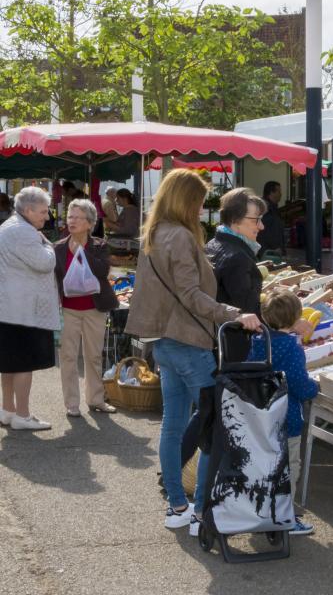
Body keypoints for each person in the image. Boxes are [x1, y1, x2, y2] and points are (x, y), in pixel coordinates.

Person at [125, 169, 261, 535]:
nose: (203, 208)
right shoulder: (181, 237)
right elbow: (191, 295)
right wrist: (235, 313)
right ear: (185, 199)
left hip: (163, 343)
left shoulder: (154, 234)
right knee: (213, 429)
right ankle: (201, 512)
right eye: (200, 200)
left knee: (173, 425)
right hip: (186, 342)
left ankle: (177, 505)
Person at [247, 289, 319, 535]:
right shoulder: (291, 347)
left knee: (265, 467)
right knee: (290, 468)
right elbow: (299, 385)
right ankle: (285, 517)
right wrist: (315, 388)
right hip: (286, 419)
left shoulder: (257, 342)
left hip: (260, 418)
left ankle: (263, 510)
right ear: (296, 317)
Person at [0, 187, 60, 430]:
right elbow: (45, 263)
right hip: (24, 309)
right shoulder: (23, 232)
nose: (47, 217)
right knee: (24, 363)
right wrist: (49, 246)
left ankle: (8, 410)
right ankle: (22, 416)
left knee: (9, 362)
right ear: (28, 210)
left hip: (11, 307)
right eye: (43, 212)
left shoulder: (9, 227)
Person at [54, 199, 119, 417]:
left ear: (90, 223)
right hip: (68, 310)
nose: (71, 221)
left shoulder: (99, 245)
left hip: (94, 308)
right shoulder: (59, 247)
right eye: (70, 217)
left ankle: (96, 400)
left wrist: (82, 251)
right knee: (68, 357)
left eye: (77, 217)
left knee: (93, 356)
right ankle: (72, 404)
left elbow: (102, 271)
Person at [206, 187, 267, 363]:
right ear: (235, 220)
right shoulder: (238, 258)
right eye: (256, 220)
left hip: (216, 340)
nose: (261, 226)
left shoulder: (214, 243)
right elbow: (247, 310)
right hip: (234, 347)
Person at [257, 180, 286, 258]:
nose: (280, 194)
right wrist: (276, 247)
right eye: (279, 191)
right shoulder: (266, 209)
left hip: (271, 252)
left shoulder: (273, 208)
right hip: (269, 253)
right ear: (271, 193)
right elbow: (266, 232)